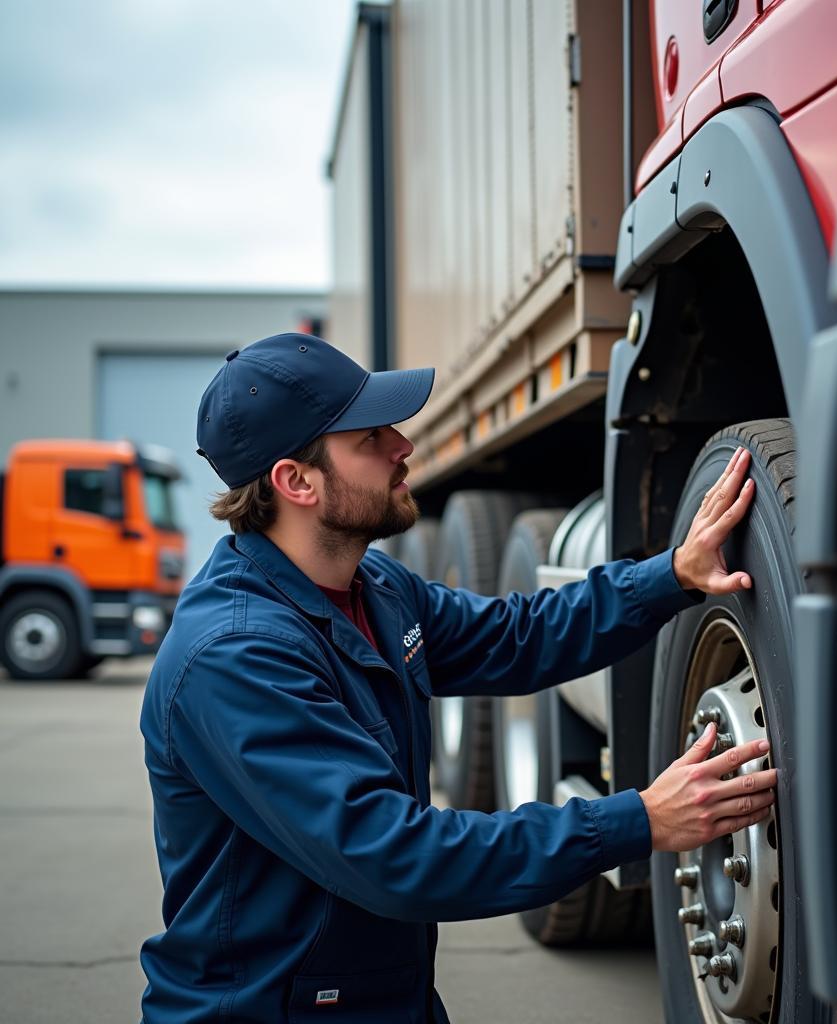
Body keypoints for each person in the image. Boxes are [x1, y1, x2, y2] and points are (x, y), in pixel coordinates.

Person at [139, 333, 776, 1023]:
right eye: (371, 436)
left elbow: (518, 636)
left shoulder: (374, 587)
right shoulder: (234, 657)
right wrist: (638, 821)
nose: (403, 445)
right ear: (297, 482)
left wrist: (672, 574)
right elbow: (398, 855)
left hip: (381, 1000)